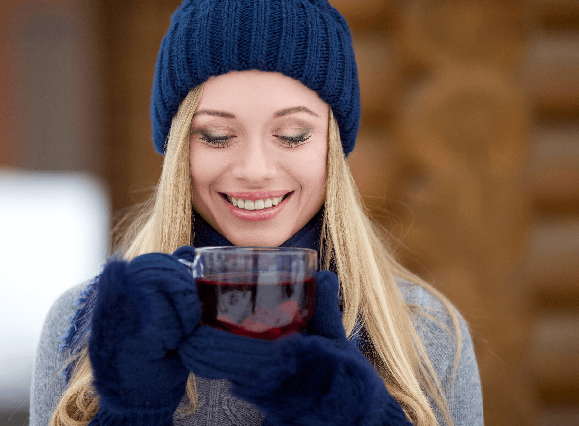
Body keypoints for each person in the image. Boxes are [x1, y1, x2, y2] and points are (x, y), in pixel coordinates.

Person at [30, 1, 483, 425]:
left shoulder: (427, 335)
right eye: (216, 136)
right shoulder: (88, 329)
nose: (254, 171)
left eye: (291, 135)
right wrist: (129, 414)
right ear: (178, 152)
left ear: (332, 147)